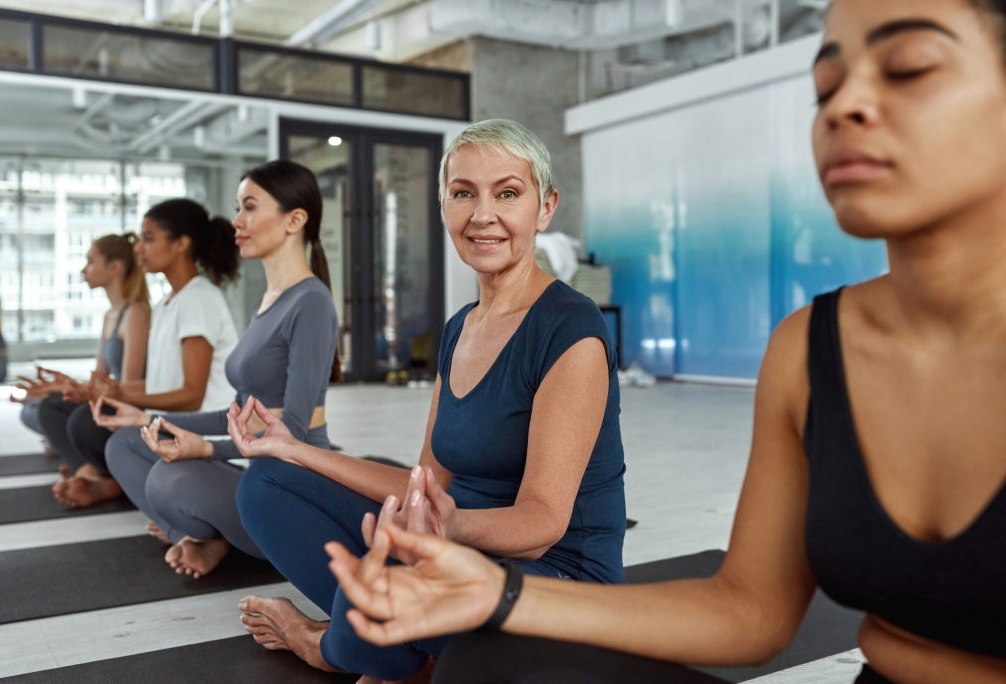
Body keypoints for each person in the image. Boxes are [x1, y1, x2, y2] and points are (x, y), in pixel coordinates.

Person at [326, 2, 1006, 683]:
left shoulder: (567, 327)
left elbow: (541, 518)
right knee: (482, 658)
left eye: (911, 67)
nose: (846, 105)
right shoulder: (808, 348)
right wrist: (499, 595)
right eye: (825, 87)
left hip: (562, 551)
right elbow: (750, 612)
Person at [228, 119, 626, 682]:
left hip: (558, 580)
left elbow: (543, 524)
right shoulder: (461, 327)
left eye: (507, 193)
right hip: (455, 548)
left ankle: (323, 644)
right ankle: (400, 648)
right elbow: (425, 485)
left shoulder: (572, 329)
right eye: (463, 193)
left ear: (545, 208)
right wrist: (292, 449)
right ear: (443, 206)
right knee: (266, 483)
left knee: (381, 583)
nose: (482, 214)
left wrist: (441, 533)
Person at [100, 159, 341, 579]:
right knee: (127, 443)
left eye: (250, 207)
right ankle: (201, 537)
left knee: (172, 479)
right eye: (237, 207)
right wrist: (148, 418)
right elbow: (234, 410)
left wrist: (207, 449)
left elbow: (295, 434)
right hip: (255, 468)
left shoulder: (312, 302)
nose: (237, 221)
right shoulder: (268, 300)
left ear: (294, 220)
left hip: (290, 484)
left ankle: (216, 537)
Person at [53, 198, 239, 508]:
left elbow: (191, 395)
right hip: (172, 422)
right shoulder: (167, 304)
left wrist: (125, 399)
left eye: (149, 238)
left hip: (203, 431)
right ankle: (152, 499)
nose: (138, 247)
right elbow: (158, 387)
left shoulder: (198, 299)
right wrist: (112, 392)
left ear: (181, 244)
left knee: (115, 440)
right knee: (92, 421)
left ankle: (182, 520)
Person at [13, 233, 150, 461]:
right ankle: (70, 449)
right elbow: (100, 378)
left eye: (91, 261)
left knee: (51, 410)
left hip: (129, 407)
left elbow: (126, 389)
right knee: (32, 409)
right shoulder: (110, 315)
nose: (84, 270)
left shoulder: (135, 313)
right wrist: (61, 386)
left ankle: (82, 465)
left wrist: (66, 390)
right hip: (110, 397)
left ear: (114, 267)